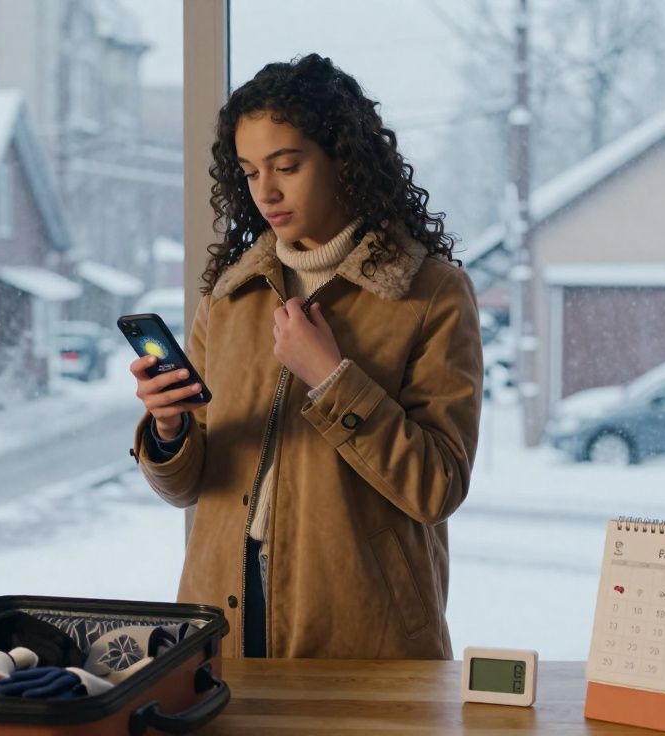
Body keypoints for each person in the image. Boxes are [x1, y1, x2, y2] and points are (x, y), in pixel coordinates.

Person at [128, 53, 483, 660]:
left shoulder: (429, 292)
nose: (266, 191)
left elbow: (437, 486)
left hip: (363, 626)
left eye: (286, 166)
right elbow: (189, 488)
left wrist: (331, 377)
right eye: (248, 172)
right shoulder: (231, 295)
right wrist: (168, 429)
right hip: (221, 615)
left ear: (344, 158)